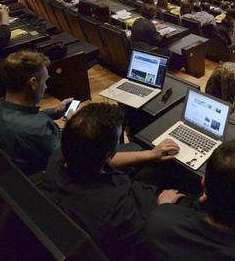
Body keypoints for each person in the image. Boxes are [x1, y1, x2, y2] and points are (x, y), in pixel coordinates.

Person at [40, 103, 184, 260]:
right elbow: (148, 238)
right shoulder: (116, 210)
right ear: (108, 154)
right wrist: (163, 207)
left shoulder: (59, 156)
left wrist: (150, 154)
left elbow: (101, 160)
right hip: (148, 216)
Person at [0, 50, 75, 175]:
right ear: (33, 83)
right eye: (45, 81)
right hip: (46, 177)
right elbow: (67, 158)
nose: (46, 87)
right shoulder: (39, 128)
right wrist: (72, 126)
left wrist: (55, 111)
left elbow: (23, 117)